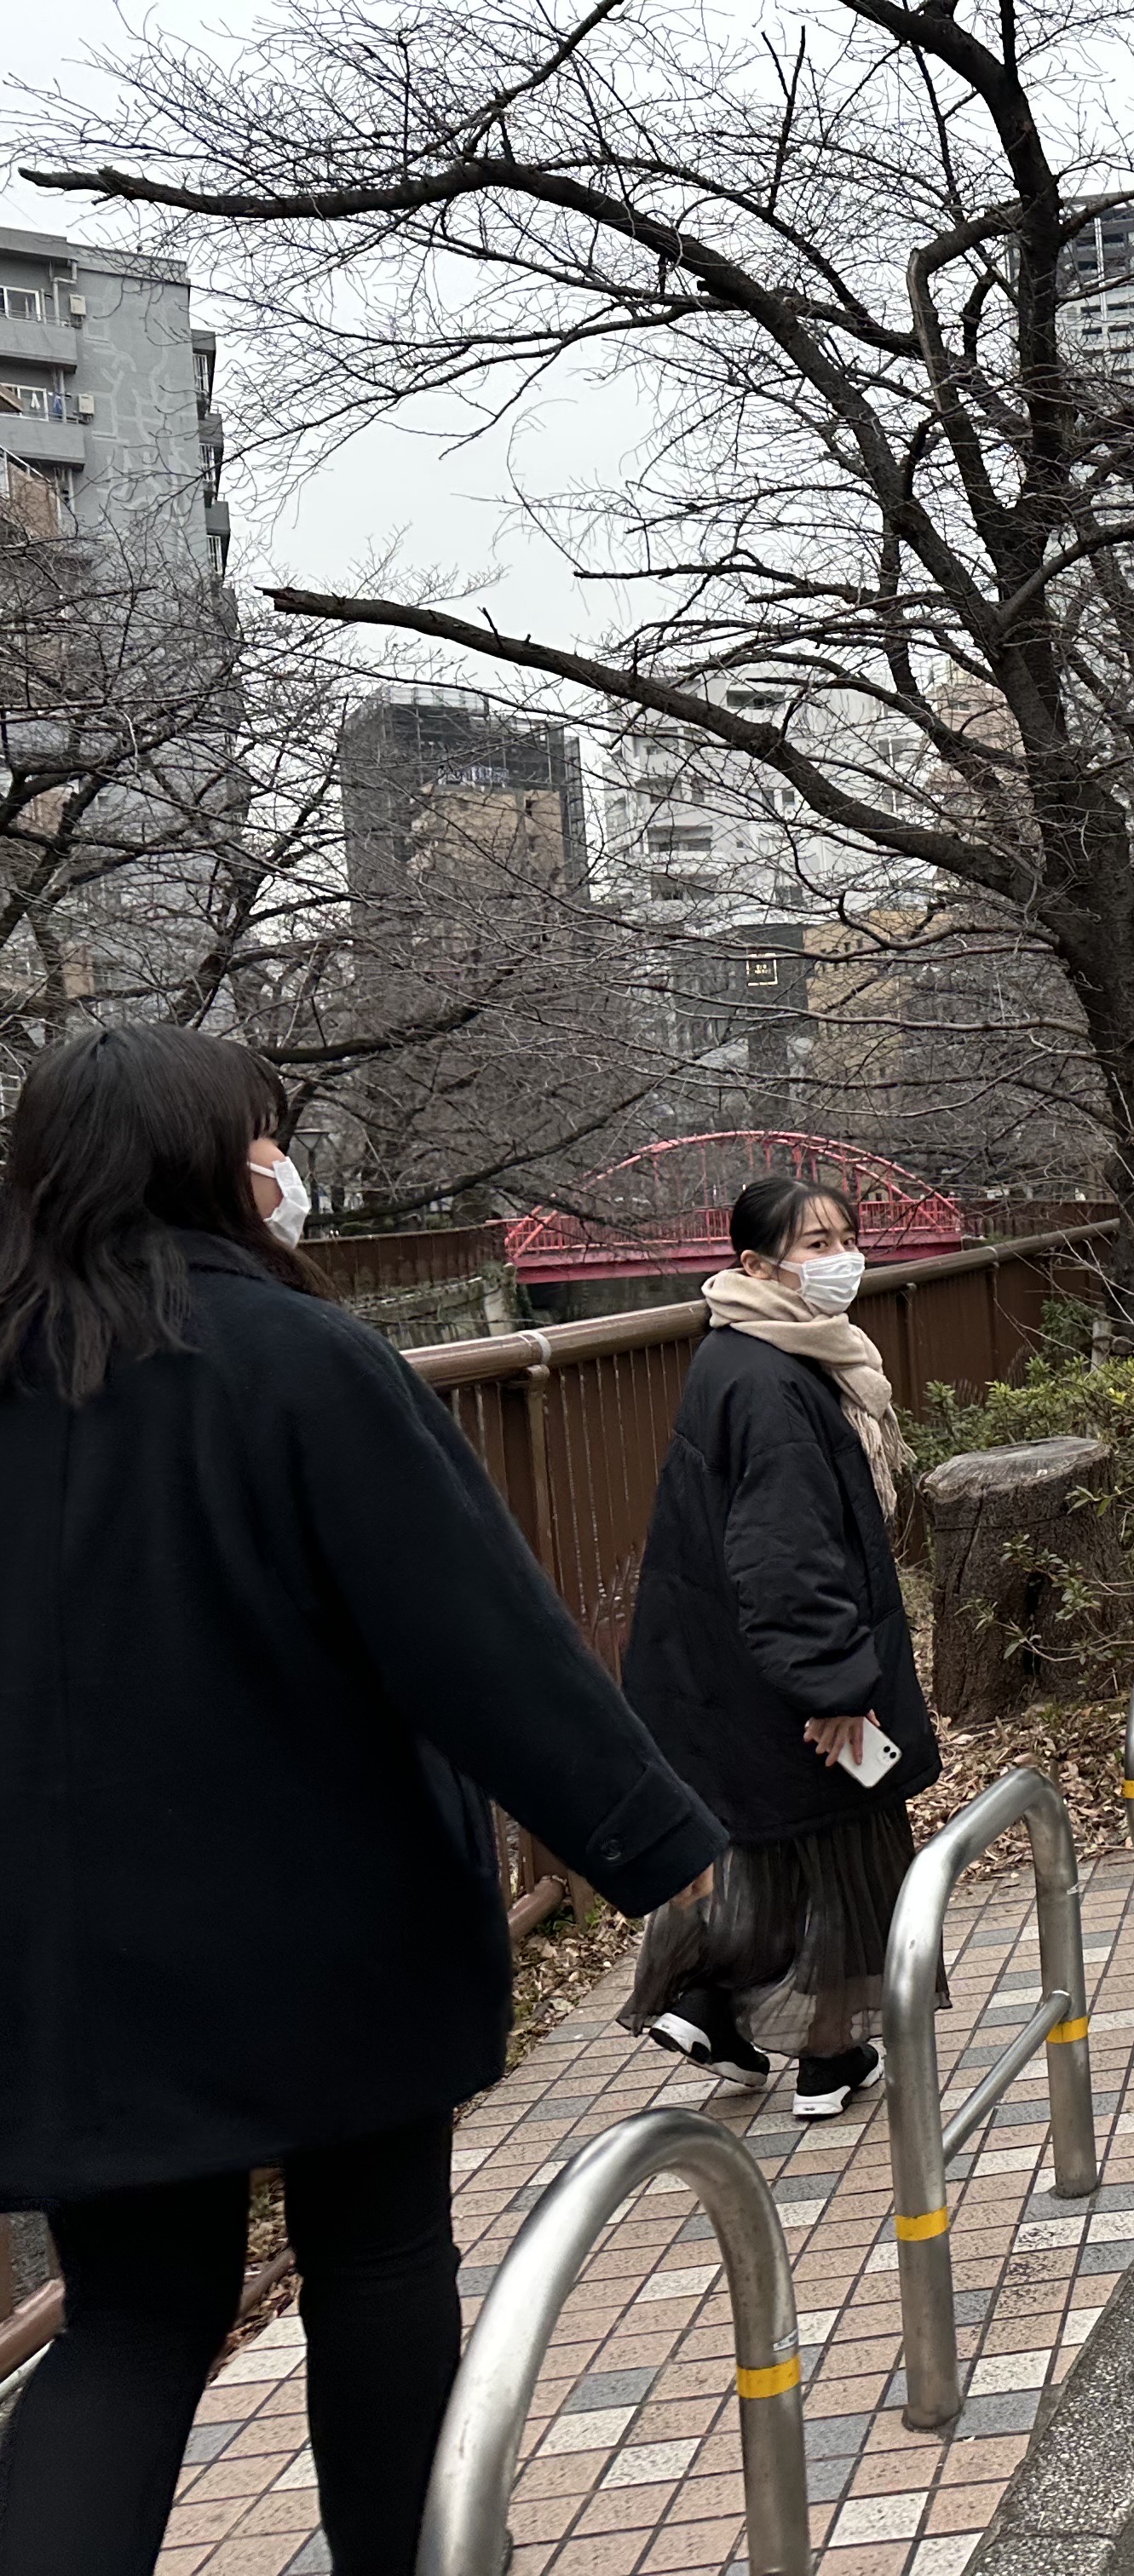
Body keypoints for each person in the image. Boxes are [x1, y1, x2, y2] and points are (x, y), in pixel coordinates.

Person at [0, 1026, 726, 2576]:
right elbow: (475, 1638)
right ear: (217, 1157)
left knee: (129, 2321)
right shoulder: (294, 1362)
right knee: (380, 2259)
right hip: (322, 1912)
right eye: (266, 1136)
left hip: (62, 1944)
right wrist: (658, 1844)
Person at [618, 1175, 945, 2122]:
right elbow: (785, 1553)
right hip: (784, 1662)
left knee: (765, 1837)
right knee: (845, 1843)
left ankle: (706, 2006)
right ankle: (830, 2056)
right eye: (813, 1245)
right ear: (754, 1263)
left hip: (729, 1659)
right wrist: (838, 1684)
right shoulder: (772, 1380)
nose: (839, 1257)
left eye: (846, 1234)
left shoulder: (745, 1352)